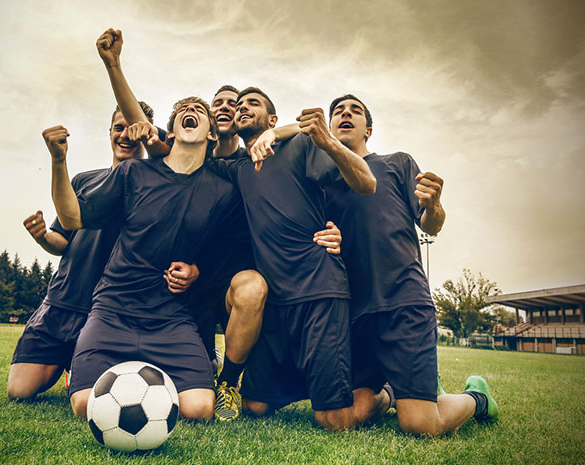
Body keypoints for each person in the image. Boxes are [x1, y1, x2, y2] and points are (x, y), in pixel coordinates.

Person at [96, 28, 343, 422]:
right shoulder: (196, 157)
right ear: (209, 119)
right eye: (221, 103)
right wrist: (114, 66)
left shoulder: (257, 160)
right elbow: (141, 123)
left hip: (234, 282)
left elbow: (307, 137)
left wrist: (276, 134)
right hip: (181, 278)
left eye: (237, 103)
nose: (230, 107)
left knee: (251, 291)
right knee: (180, 369)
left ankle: (229, 381)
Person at [271, 93, 499, 435]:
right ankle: (394, 392)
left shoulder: (397, 162)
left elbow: (431, 224)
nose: (345, 114)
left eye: (355, 111)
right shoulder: (322, 182)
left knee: (421, 425)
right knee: (341, 419)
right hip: (352, 312)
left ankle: (477, 397)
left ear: (369, 129)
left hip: (403, 302)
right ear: (328, 128)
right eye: (337, 112)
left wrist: (434, 203)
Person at [208, 87, 378, 431]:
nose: (242, 108)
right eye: (239, 105)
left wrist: (322, 139)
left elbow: (367, 183)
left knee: (335, 422)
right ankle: (244, 384)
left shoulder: (300, 146)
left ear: (272, 119)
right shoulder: (236, 168)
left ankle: (382, 394)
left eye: (252, 104)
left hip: (320, 290)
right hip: (276, 302)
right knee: (254, 407)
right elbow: (182, 153)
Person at [7, 102, 157, 400]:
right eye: (118, 128)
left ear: (145, 135)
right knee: (19, 391)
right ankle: (69, 363)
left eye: (133, 128)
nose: (125, 135)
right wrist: (42, 237)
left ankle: (80, 361)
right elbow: (62, 240)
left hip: (109, 312)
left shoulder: (153, 186)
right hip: (64, 300)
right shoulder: (84, 181)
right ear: (109, 132)